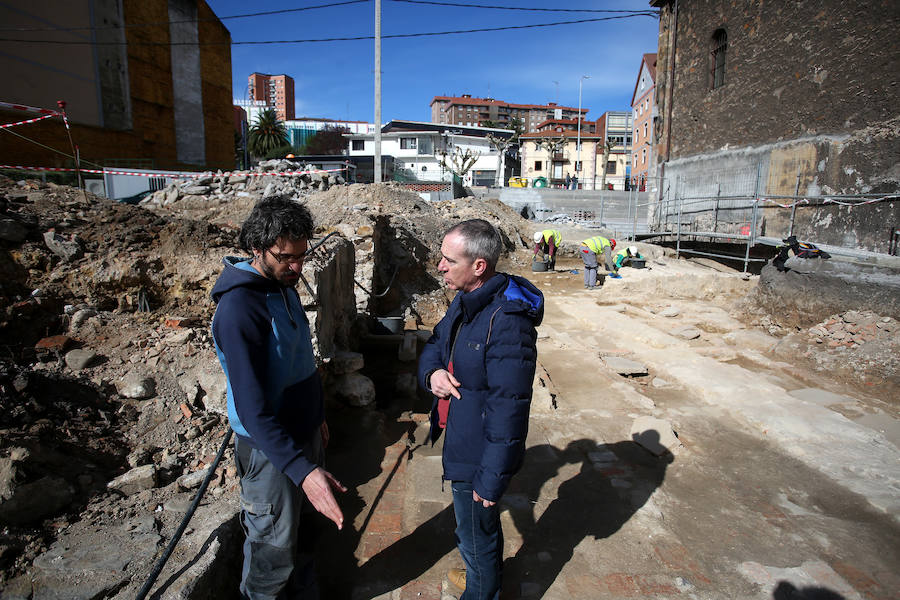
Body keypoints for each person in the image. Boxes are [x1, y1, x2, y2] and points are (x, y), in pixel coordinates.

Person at [210, 195, 346, 599]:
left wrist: (316, 415)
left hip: (303, 435)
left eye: (302, 255)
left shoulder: (283, 286)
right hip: (269, 453)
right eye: (287, 257)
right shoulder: (239, 310)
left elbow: (300, 361)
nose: (297, 267)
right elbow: (252, 409)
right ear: (257, 247)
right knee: (272, 552)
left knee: (304, 537)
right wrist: (302, 471)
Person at [419, 219, 544, 600]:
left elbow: (510, 408)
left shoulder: (507, 323)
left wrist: (491, 478)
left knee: (474, 533)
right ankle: (483, 577)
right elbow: (436, 343)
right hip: (464, 435)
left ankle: (481, 588)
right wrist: (433, 374)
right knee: (477, 530)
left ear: (478, 266)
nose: (440, 266)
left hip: (478, 453)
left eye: (449, 260)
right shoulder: (466, 300)